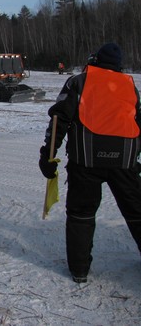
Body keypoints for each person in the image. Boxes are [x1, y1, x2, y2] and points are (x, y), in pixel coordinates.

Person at [39, 43, 141, 283]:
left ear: (94, 60)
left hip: (86, 159)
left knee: (81, 213)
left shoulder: (78, 82)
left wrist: (48, 154)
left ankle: (80, 270)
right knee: (137, 211)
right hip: (124, 161)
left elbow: (59, 119)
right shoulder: (129, 85)